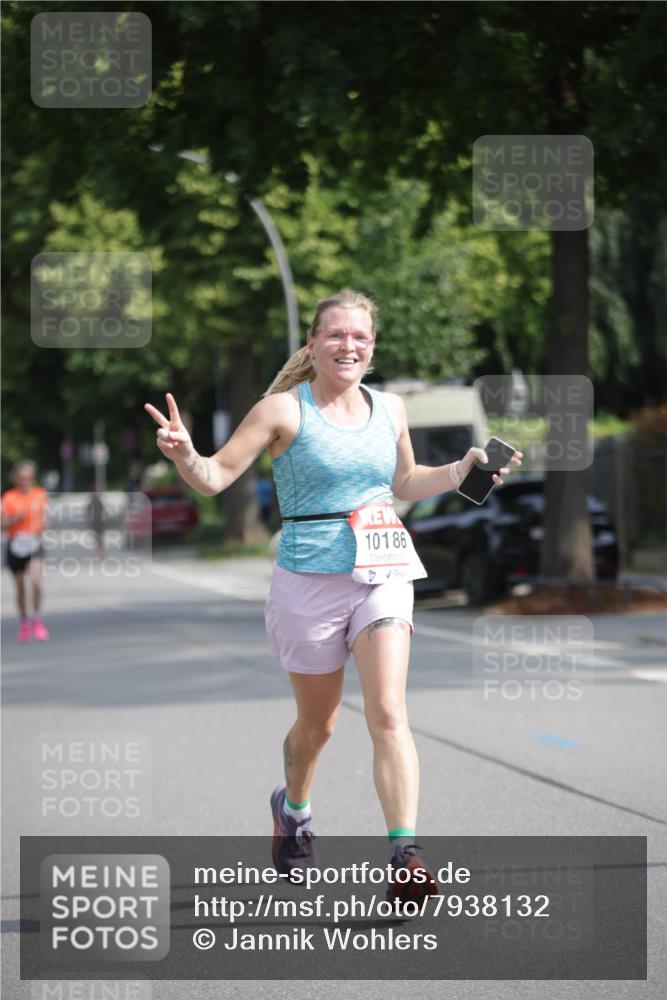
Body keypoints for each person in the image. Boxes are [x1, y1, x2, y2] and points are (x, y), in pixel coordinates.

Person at [145, 289, 522, 905]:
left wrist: (461, 470)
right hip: (309, 580)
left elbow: (404, 482)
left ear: (372, 348)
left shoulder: (391, 408)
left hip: (382, 572)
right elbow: (214, 478)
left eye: (360, 337)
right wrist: (187, 454)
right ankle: (293, 808)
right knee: (317, 727)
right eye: (337, 334)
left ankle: (405, 854)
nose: (349, 345)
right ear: (314, 343)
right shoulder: (280, 410)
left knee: (388, 712)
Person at [1, 460, 50, 642]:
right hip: (15, 545)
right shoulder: (8, 498)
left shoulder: (40, 494)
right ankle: (24, 622)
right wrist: (15, 519)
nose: (25, 482)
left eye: (28, 478)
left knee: (36, 582)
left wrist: (43, 523)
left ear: (33, 479)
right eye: (21, 478)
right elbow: (2, 524)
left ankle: (36, 619)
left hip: (34, 543)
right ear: (15, 479)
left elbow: (45, 516)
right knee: (20, 588)